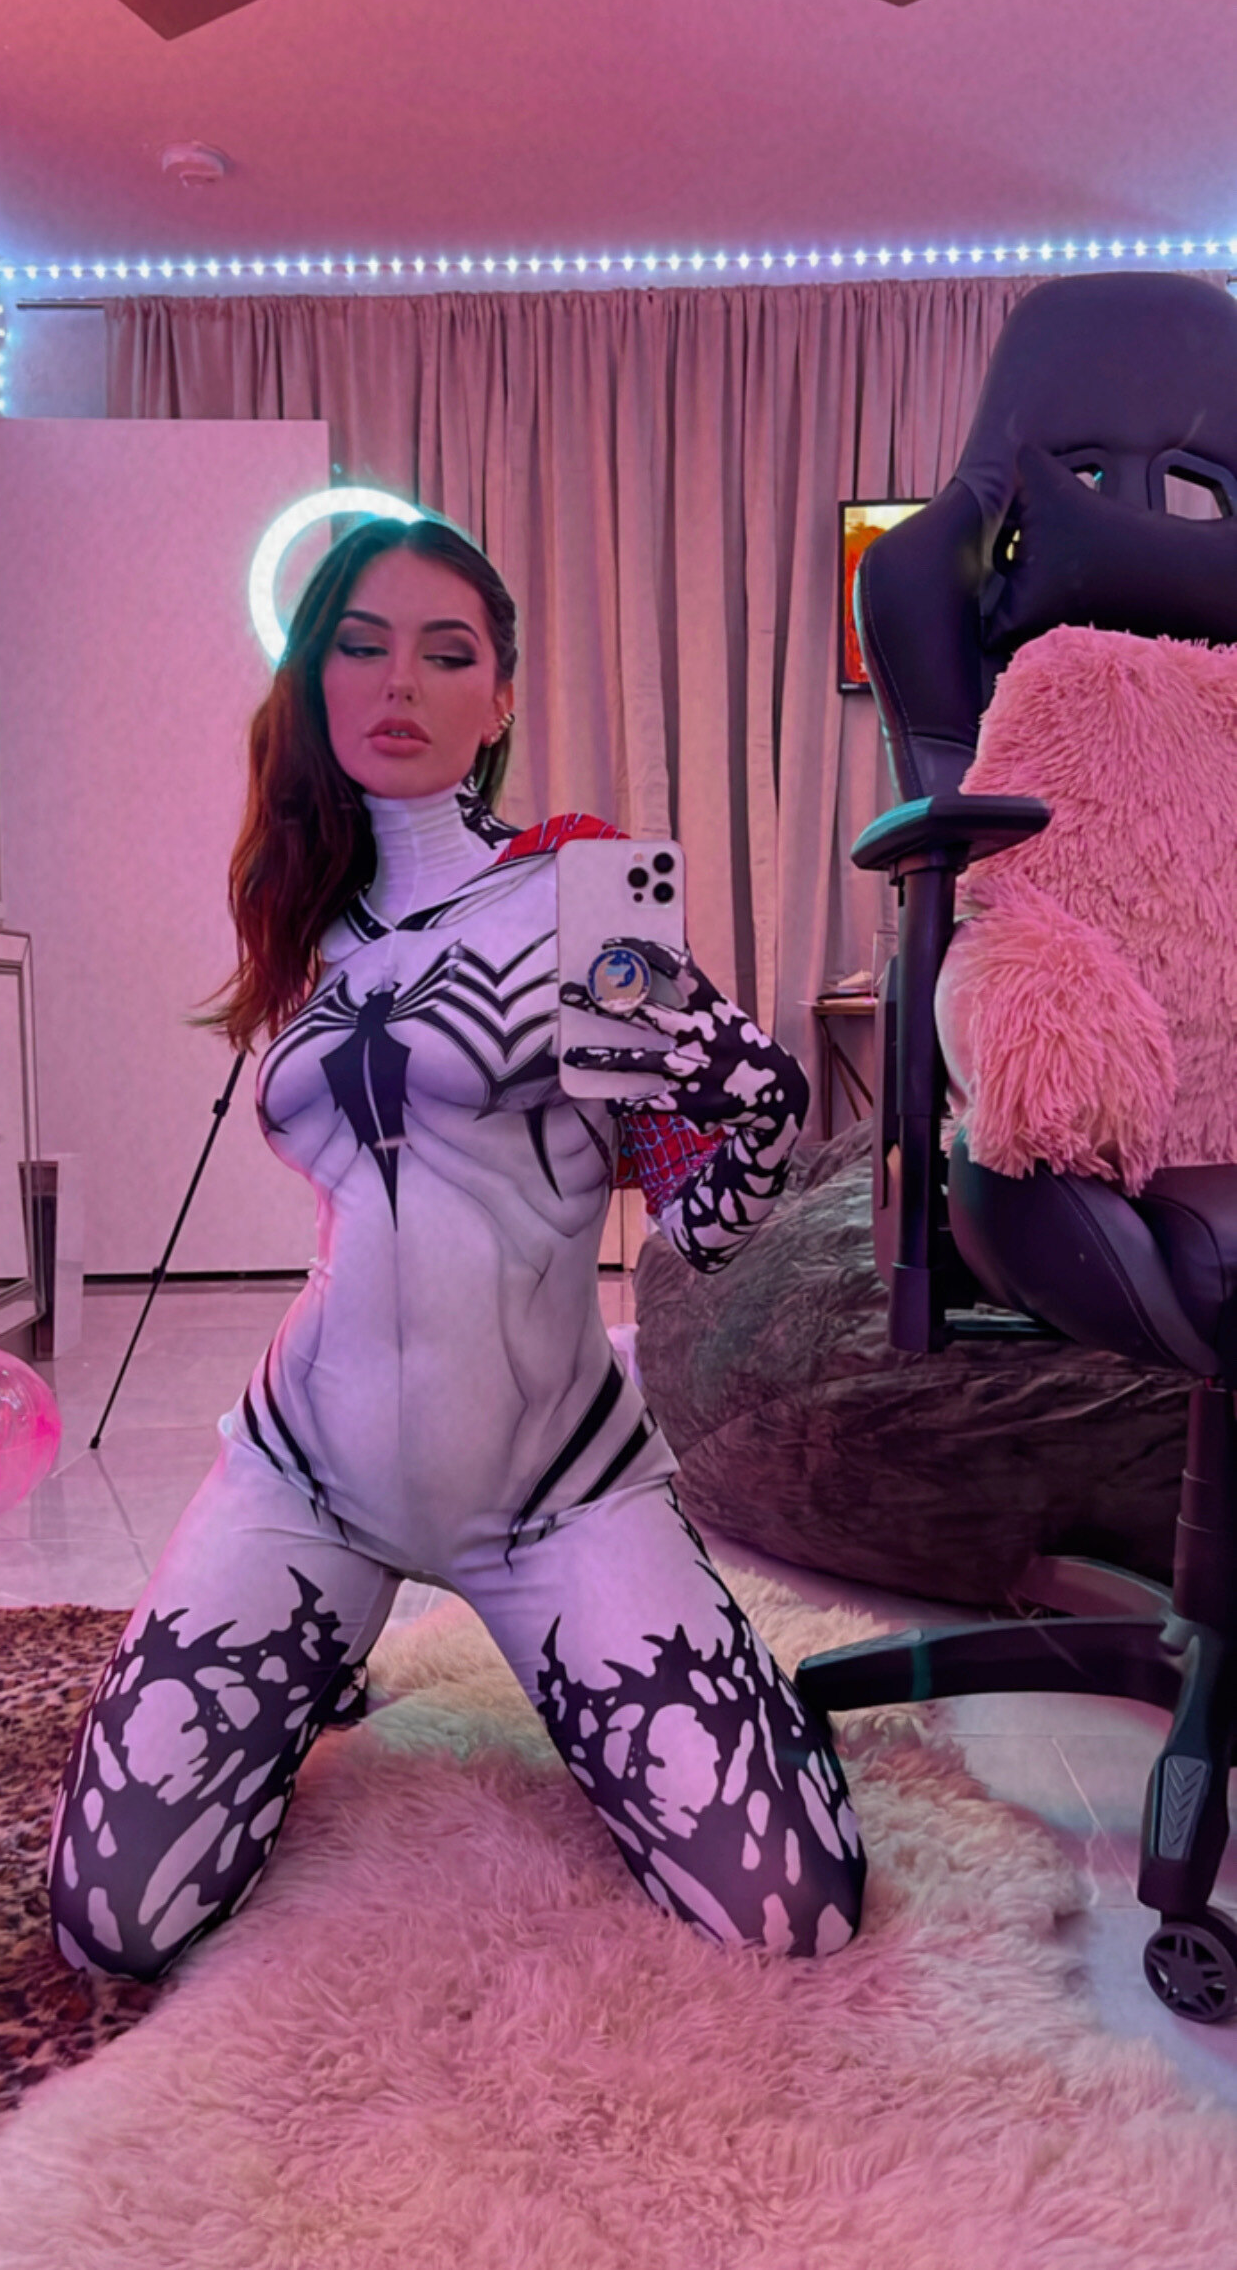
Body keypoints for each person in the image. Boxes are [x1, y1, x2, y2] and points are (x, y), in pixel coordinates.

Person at [48, 515, 865, 1982]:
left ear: (499, 700)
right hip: (308, 1469)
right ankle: (314, 1661)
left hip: (555, 1485)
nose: (398, 682)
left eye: (446, 652)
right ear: (315, 678)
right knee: (111, 1917)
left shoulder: (583, 893)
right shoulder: (302, 920)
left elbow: (707, 1225)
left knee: (788, 1906)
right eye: (360, 645)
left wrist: (742, 1099)